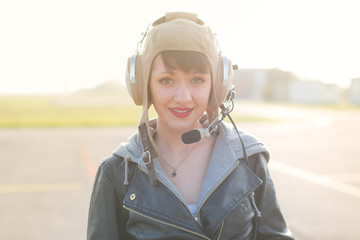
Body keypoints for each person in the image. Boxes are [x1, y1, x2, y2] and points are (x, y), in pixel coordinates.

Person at [87, 12, 294, 240]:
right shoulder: (117, 173)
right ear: (143, 86)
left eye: (197, 80)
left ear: (217, 85)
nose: (183, 97)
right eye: (167, 80)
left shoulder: (249, 158)